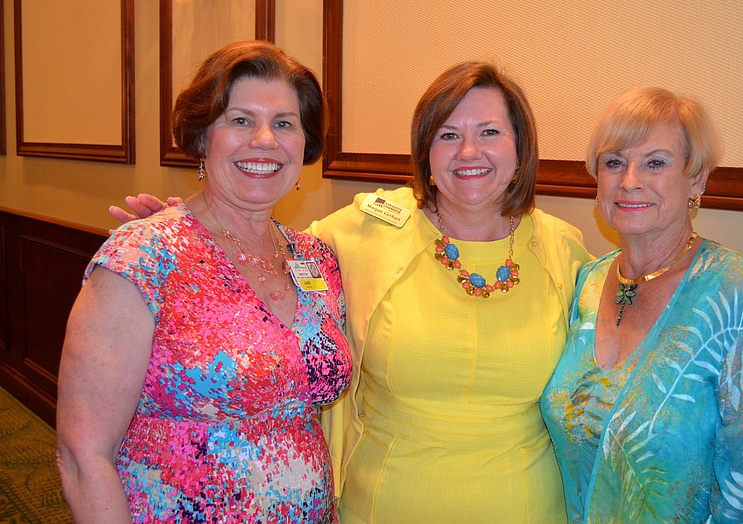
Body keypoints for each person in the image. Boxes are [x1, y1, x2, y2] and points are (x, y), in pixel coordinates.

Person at [111, 61, 592, 522]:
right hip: (382, 504)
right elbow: (256, 258)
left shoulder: (563, 250)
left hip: (527, 507)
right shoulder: (362, 233)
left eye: (489, 132)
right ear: (425, 152)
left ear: (520, 147)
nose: (469, 151)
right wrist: (190, 234)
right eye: (448, 135)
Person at [56, 41, 352, 522]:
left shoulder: (316, 258)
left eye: (284, 123)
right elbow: (81, 457)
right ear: (202, 137)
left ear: (305, 144)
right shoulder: (145, 255)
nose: (265, 140)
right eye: (241, 120)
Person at [540, 86, 743, 522]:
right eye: (614, 162)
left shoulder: (740, 296)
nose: (629, 181)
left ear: (697, 178)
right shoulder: (588, 281)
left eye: (655, 163)